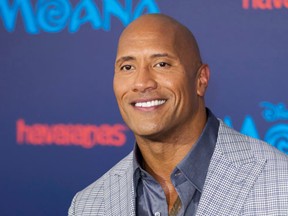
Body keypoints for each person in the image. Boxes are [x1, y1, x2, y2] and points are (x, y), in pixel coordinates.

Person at [69, 14, 288, 216]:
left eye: (161, 64)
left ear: (201, 80)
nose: (142, 82)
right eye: (127, 67)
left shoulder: (280, 182)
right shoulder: (88, 204)